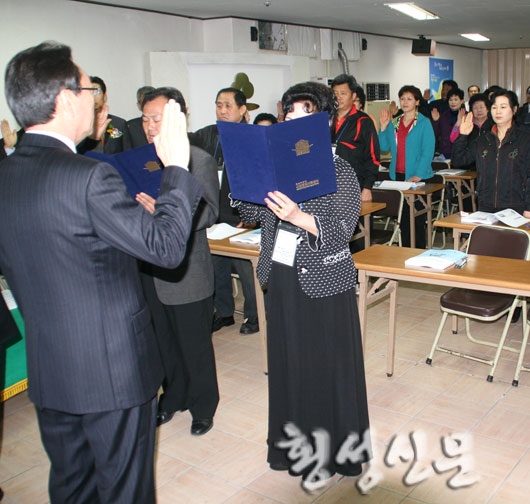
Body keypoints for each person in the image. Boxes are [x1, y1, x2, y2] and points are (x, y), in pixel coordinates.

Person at [0, 41, 203, 503]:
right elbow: (167, 250)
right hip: (111, 373)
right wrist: (175, 166)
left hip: (51, 371)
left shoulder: (6, 175)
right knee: (123, 491)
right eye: (90, 89)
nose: (96, 100)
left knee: (73, 487)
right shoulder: (89, 176)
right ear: (66, 98)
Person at [233, 81, 371, 491]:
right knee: (289, 363)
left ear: (324, 121)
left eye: (303, 113)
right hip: (282, 273)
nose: (292, 119)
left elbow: (343, 230)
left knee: (323, 367)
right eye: (288, 112)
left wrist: (297, 216)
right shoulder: (279, 165)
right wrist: (244, 180)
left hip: (325, 278)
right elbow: (252, 212)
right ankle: (292, 448)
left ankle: (330, 454)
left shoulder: (340, 168)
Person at [136, 87, 220, 435]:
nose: (150, 126)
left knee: (193, 343)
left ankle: (203, 405)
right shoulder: (141, 160)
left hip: (187, 270)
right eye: (145, 119)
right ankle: (173, 397)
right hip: (149, 268)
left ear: (178, 119)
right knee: (163, 342)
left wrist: (168, 210)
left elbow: (210, 213)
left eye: (157, 119)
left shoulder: (197, 159)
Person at [189, 87, 259, 335]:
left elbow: (259, 177)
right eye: (219, 105)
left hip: (241, 213)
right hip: (214, 210)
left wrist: (252, 214)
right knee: (216, 265)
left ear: (242, 109)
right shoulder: (209, 134)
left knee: (245, 267)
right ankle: (224, 312)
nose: (222, 110)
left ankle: (254, 314)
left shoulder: (252, 137)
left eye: (228, 105)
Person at [452, 88, 530, 216]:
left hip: (516, 207)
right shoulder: (483, 140)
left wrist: (529, 207)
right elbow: (458, 161)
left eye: (503, 107)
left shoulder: (525, 139)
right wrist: (463, 136)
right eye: (494, 107)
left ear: (514, 109)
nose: (498, 111)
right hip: (485, 205)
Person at [379, 85, 435, 248]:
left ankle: (419, 252)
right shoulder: (395, 123)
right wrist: (383, 127)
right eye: (402, 98)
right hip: (398, 176)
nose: (405, 102)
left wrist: (418, 174)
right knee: (402, 219)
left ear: (417, 102)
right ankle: (405, 251)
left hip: (417, 177)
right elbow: (383, 147)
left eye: (409, 99)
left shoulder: (424, 123)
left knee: (416, 219)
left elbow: (428, 151)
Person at [330, 74, 380, 202]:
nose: (338, 97)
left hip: (353, 186)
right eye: (335, 93)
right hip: (328, 185)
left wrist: (367, 187)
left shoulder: (363, 121)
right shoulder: (326, 119)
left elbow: (373, 157)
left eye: (343, 93)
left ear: (353, 96)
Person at [77, 76, 132, 154]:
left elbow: (127, 153)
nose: (93, 97)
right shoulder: (77, 124)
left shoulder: (119, 123)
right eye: (89, 93)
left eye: (96, 92)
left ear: (105, 97)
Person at [431, 87, 466, 158]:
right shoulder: (443, 116)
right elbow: (434, 135)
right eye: (450, 100)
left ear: (462, 101)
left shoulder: (467, 116)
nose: (453, 102)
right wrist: (435, 121)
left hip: (462, 153)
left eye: (456, 99)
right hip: (445, 153)